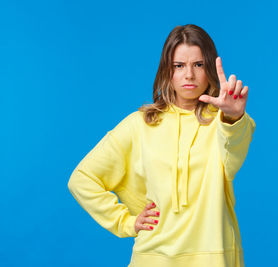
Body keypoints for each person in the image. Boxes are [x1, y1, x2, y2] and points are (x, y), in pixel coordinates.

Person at [67, 24, 256, 267]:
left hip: (215, 257)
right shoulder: (140, 124)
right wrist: (126, 222)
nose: (189, 75)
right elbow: (82, 179)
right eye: (179, 66)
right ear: (168, 71)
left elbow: (233, 156)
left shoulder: (225, 120)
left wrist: (232, 117)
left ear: (209, 67)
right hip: (152, 258)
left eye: (198, 65)